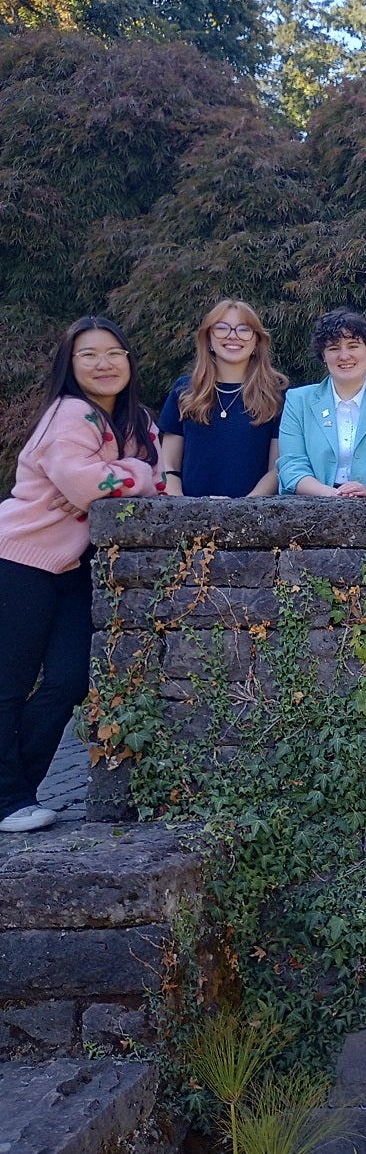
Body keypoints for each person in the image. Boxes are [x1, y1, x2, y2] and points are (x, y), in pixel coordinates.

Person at [0, 317, 162, 833]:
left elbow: (158, 484)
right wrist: (136, 473)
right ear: (69, 366)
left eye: (114, 353)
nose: (104, 364)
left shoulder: (137, 420)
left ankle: (16, 790)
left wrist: (141, 478)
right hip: (21, 556)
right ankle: (9, 799)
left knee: (70, 680)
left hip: (73, 567)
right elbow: (85, 483)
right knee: (10, 684)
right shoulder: (69, 414)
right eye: (88, 355)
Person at [277, 309, 366, 501]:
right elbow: (291, 465)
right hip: (312, 505)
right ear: (323, 355)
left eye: (353, 346)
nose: (344, 356)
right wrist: (332, 495)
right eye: (333, 348)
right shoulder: (298, 400)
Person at [158, 299, 286, 498]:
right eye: (221, 328)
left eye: (244, 329)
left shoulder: (276, 393)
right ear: (208, 338)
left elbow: (276, 469)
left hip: (253, 516)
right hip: (188, 517)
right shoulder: (184, 390)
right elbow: (168, 465)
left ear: (257, 341)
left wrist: (241, 509)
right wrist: (180, 508)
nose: (232, 336)